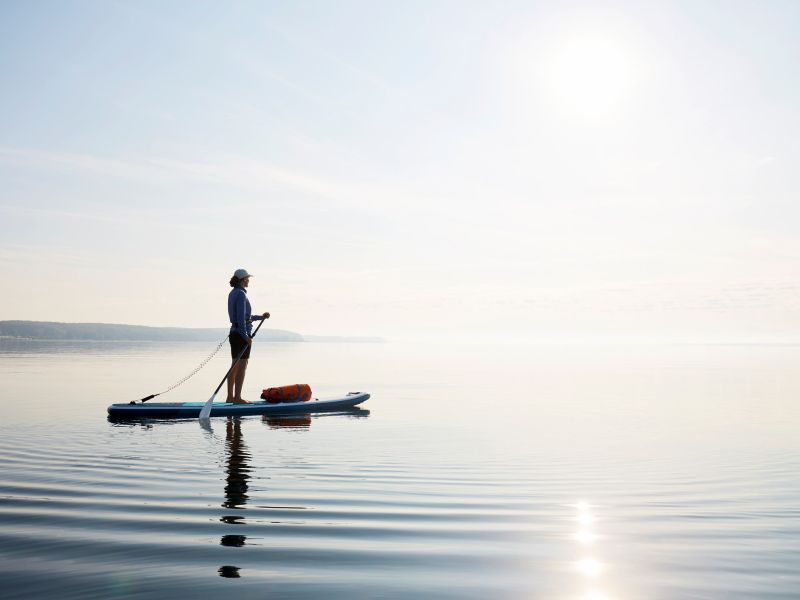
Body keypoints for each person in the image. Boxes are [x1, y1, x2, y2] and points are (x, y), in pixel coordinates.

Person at [227, 268, 269, 403]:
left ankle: (230, 397)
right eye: (247, 278)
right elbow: (240, 318)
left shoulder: (233, 293)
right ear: (242, 280)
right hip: (240, 335)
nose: (249, 280)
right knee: (241, 366)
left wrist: (260, 317)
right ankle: (237, 398)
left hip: (235, 333)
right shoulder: (241, 294)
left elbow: (245, 317)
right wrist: (246, 336)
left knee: (234, 365)